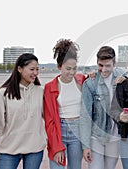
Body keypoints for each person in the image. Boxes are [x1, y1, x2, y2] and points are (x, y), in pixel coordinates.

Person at [0, 53, 46, 169]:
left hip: (35, 149)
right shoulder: (2, 94)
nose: (35, 73)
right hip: (9, 150)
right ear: (19, 69)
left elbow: (50, 118)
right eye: (32, 69)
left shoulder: (41, 92)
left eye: (37, 69)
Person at [80, 46, 125, 169]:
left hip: (115, 136)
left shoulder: (122, 76)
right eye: (100, 65)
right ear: (96, 63)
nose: (103, 70)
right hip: (96, 137)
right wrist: (86, 146)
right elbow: (85, 115)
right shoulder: (90, 83)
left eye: (108, 66)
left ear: (114, 63)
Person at [44, 39, 86, 168]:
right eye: (68, 68)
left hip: (77, 131)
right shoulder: (49, 87)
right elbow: (49, 121)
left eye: (74, 68)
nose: (72, 72)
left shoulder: (82, 80)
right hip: (58, 131)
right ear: (59, 67)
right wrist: (56, 147)